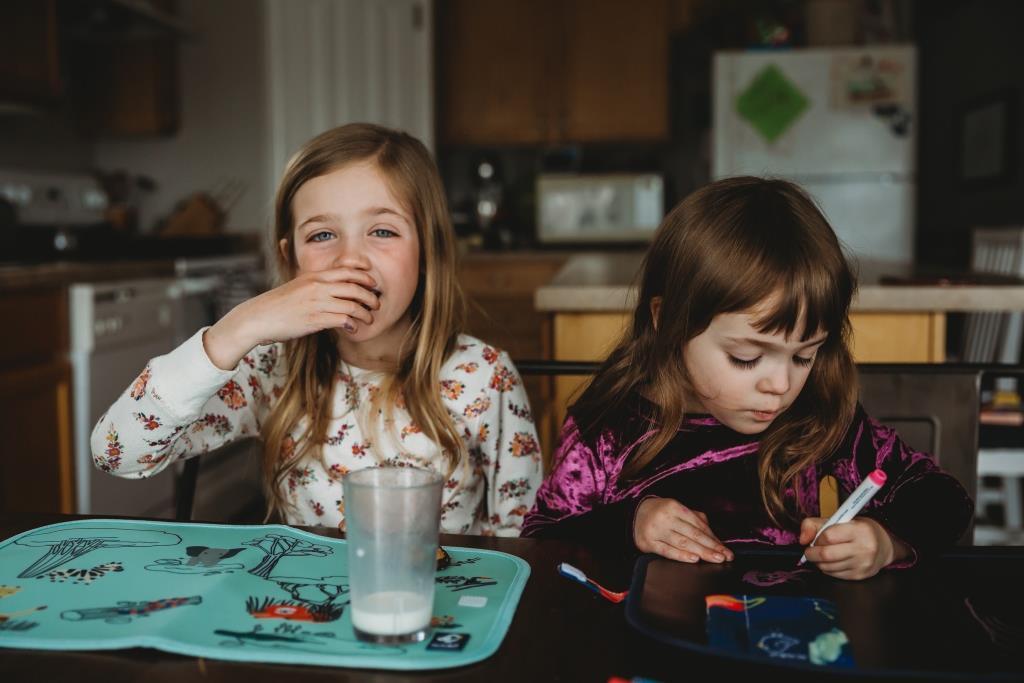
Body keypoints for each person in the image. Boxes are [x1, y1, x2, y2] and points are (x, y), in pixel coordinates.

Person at [92, 123, 542, 535]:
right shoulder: (270, 371)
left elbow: (520, 542)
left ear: (427, 251)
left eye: (382, 231)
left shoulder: (484, 376)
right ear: (292, 260)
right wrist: (240, 326)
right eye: (322, 236)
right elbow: (116, 453)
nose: (351, 259)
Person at [521, 176, 973, 579]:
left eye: (803, 357)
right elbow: (539, 538)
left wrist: (885, 540)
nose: (780, 386)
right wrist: (630, 522)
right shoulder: (609, 428)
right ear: (667, 319)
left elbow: (943, 499)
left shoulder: (816, 416)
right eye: (745, 358)